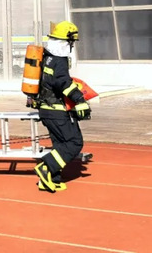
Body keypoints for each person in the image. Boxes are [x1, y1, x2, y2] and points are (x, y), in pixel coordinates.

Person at [33, 21, 91, 193]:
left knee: (60, 144)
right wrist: (79, 99)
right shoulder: (58, 60)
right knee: (74, 143)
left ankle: (51, 179)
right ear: (66, 41)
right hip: (56, 110)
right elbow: (62, 83)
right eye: (71, 42)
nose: (72, 45)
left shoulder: (47, 57)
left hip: (46, 109)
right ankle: (46, 167)